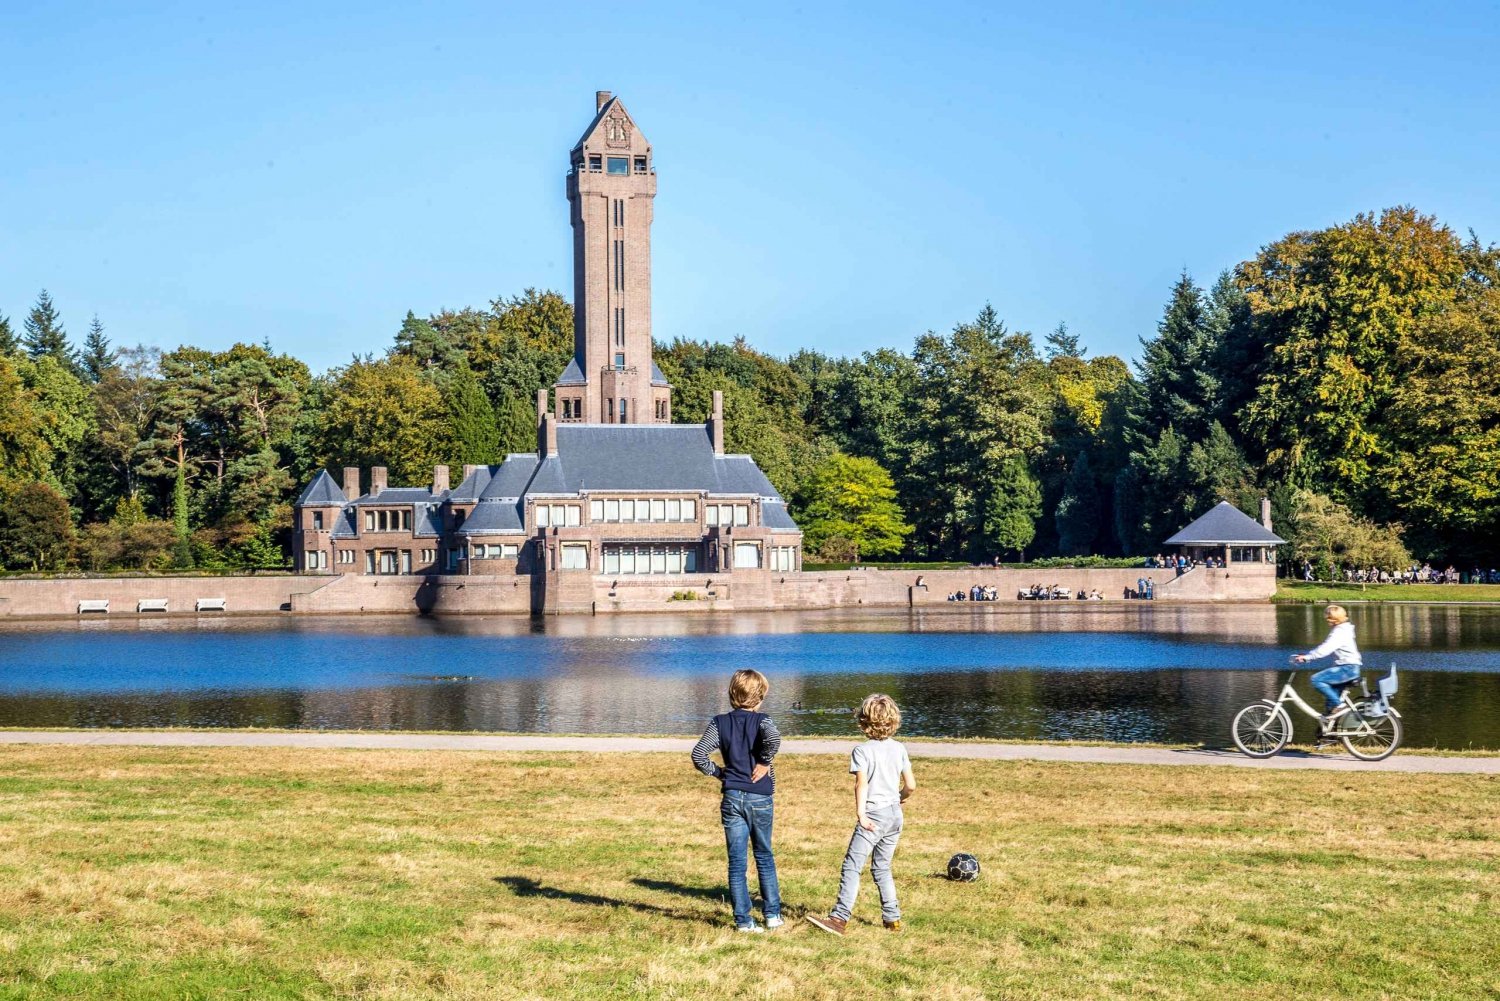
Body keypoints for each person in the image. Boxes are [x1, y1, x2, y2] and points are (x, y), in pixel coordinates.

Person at [807, 694, 916, 936]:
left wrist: (861, 813)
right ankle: (892, 918)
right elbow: (911, 785)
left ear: (864, 722)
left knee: (852, 866)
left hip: (873, 815)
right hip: (894, 815)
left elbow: (861, 785)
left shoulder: (862, 751)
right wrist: (900, 799)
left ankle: (839, 918)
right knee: (882, 867)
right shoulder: (899, 749)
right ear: (894, 721)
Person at [691, 669, 783, 932]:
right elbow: (774, 739)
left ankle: (743, 921)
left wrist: (720, 773)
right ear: (761, 696)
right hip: (760, 796)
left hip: (732, 797)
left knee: (737, 861)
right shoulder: (763, 721)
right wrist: (765, 762)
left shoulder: (719, 722)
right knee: (764, 854)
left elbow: (699, 755)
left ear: (732, 693)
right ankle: (773, 915)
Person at [1292, 604, 1362, 732]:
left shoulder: (1340, 632)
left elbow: (1326, 649)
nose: (1326, 619)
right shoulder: (1343, 629)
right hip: (1349, 668)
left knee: (1316, 679)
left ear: (1334, 619)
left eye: (1328, 617)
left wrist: (1308, 657)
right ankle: (1329, 736)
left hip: (1348, 668)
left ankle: (1341, 705)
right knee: (1330, 705)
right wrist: (1308, 655)